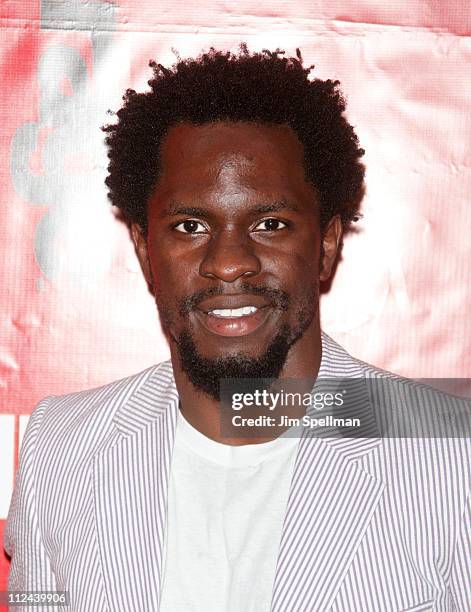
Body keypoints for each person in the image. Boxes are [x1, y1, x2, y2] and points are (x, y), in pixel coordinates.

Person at [4, 46, 470, 612]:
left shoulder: (453, 456)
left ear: (325, 244)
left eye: (270, 224)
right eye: (190, 224)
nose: (228, 262)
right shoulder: (61, 447)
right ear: (145, 250)